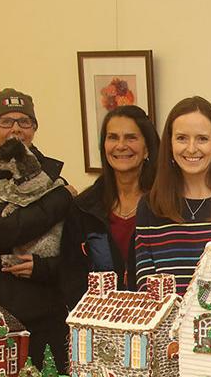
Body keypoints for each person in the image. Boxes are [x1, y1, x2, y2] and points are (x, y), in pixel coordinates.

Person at [0, 88, 73, 373]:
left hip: (47, 310)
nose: (16, 130)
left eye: (24, 122)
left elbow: (71, 246)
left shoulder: (49, 173)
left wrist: (44, 267)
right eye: (6, 122)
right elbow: (2, 230)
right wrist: (61, 198)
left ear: (34, 129)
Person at [134, 96, 211, 295]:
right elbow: (146, 288)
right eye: (182, 138)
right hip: (168, 325)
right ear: (170, 143)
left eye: (202, 139)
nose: (191, 148)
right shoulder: (150, 206)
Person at [61, 105, 158, 305]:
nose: (121, 145)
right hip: (98, 323)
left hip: (153, 322)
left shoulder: (165, 205)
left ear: (147, 147)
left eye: (131, 137)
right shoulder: (83, 208)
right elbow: (71, 277)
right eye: (112, 137)